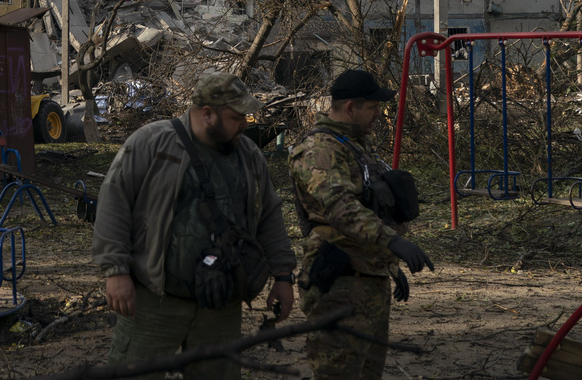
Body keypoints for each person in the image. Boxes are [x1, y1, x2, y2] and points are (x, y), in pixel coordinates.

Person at [93, 72, 298, 380]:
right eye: (236, 116)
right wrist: (116, 271)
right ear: (207, 114)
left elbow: (270, 215)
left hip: (221, 303)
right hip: (154, 300)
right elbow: (114, 200)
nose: (244, 123)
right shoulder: (152, 142)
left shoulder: (250, 156)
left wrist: (283, 276)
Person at [288, 69, 434, 380]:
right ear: (351, 107)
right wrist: (393, 241)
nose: (379, 114)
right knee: (338, 371)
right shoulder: (321, 151)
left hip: (368, 277)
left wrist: (389, 265)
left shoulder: (354, 146)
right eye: (372, 107)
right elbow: (341, 208)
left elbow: (373, 206)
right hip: (339, 282)